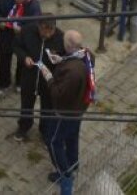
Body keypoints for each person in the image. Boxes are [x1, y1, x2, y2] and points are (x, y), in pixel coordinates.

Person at [39, 31, 95, 195]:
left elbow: (58, 94)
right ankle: (73, 162)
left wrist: (48, 76)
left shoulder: (72, 72)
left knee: (53, 140)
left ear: (69, 46)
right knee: (71, 136)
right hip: (79, 108)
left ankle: (65, 175)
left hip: (65, 112)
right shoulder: (86, 54)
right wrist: (62, 60)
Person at [13, 13, 64, 142]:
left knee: (48, 109)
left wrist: (59, 62)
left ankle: (45, 132)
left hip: (48, 82)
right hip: (29, 78)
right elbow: (16, 46)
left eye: (49, 32)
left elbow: (66, 61)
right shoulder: (27, 31)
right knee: (26, 105)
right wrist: (24, 57)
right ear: (38, 26)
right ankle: (24, 127)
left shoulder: (61, 39)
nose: (45, 35)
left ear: (54, 28)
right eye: (43, 31)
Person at [0, 0, 40, 96]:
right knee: (4, 60)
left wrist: (22, 30)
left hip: (23, 39)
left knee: (22, 62)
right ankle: (4, 83)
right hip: (6, 35)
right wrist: (0, 21)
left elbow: (35, 26)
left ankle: (20, 82)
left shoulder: (34, 7)